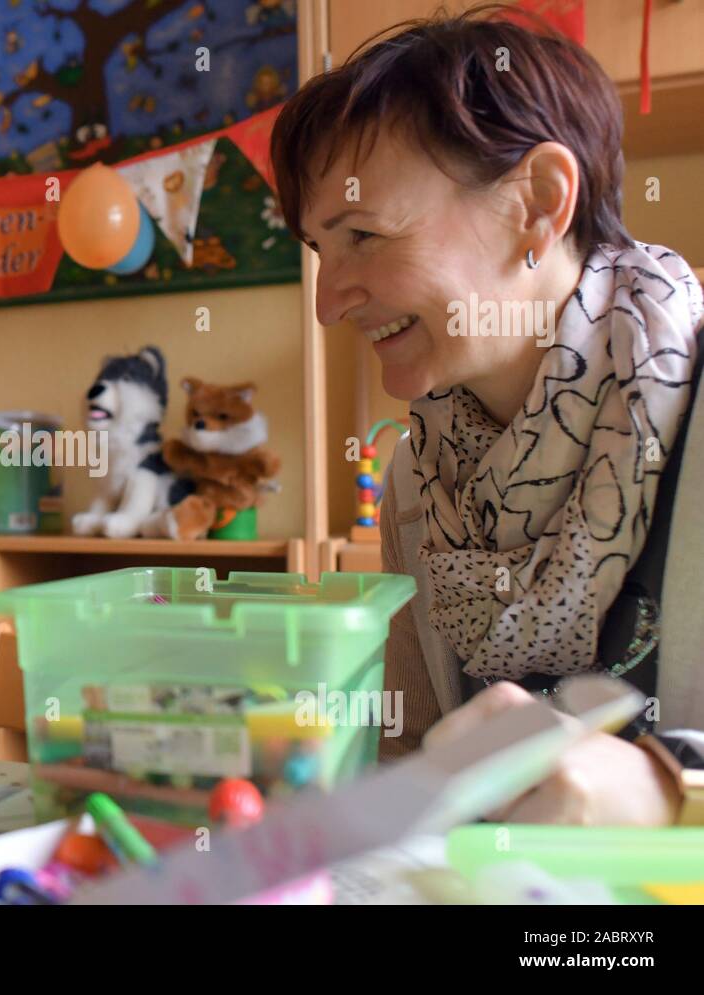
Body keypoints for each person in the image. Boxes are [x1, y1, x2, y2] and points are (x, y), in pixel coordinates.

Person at [270, 7, 704, 824]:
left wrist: (665, 786)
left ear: (538, 202)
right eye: (320, 251)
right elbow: (413, 768)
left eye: (361, 234)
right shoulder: (416, 478)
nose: (328, 302)